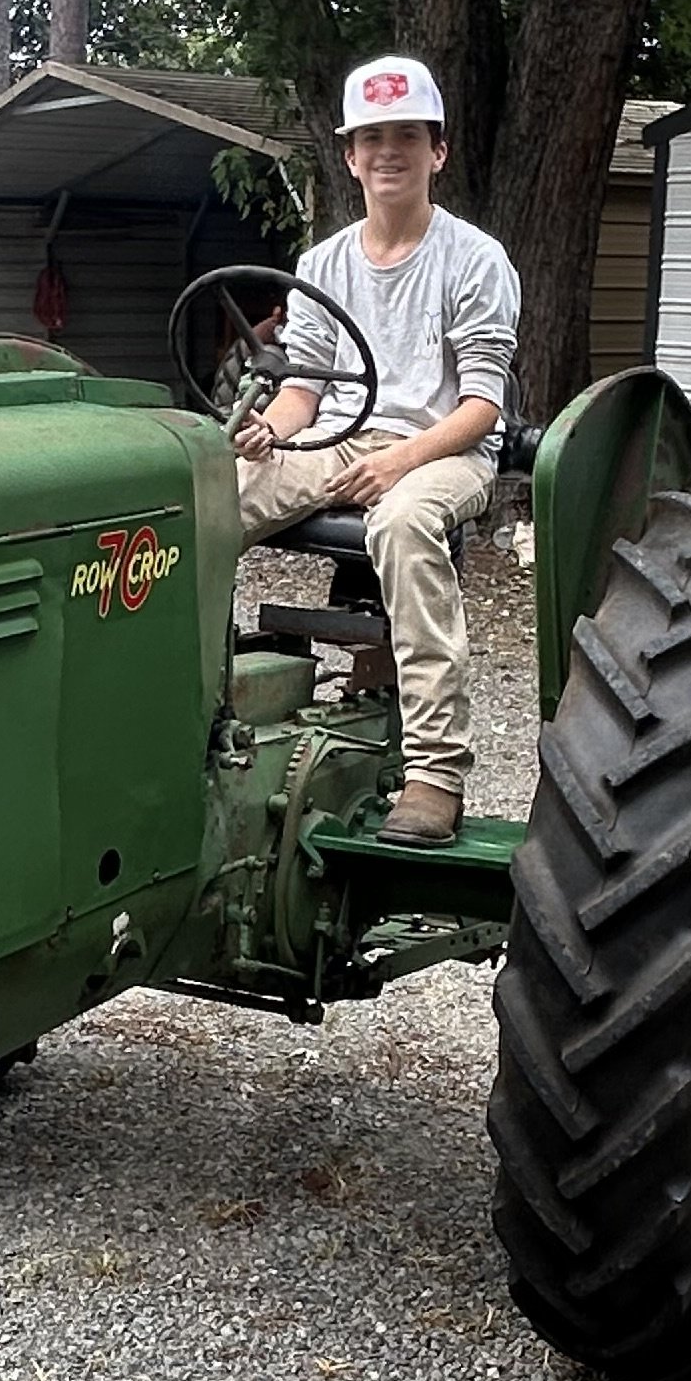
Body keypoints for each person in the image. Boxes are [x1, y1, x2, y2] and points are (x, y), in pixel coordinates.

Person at [233, 52, 520, 846]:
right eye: (371, 138)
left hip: (445, 448)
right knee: (212, 495)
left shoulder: (474, 260)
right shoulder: (323, 263)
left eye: (406, 135)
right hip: (341, 435)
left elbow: (482, 406)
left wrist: (403, 462)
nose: (387, 151)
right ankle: (203, 708)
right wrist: (273, 431)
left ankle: (435, 772)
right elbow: (303, 391)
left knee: (400, 524)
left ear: (437, 151)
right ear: (351, 157)